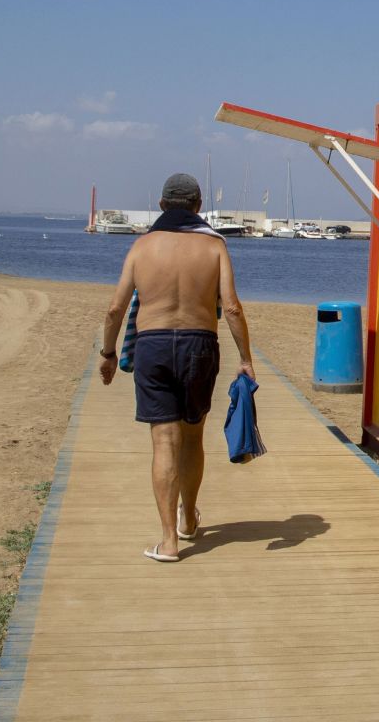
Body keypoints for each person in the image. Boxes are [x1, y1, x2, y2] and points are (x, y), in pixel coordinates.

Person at [99, 173, 252, 563]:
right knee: (193, 436)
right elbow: (231, 306)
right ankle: (188, 518)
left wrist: (108, 353)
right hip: (199, 344)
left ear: (163, 206)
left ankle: (169, 542)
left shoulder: (142, 246)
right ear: (199, 205)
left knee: (164, 441)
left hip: (152, 345)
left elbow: (116, 308)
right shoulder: (215, 246)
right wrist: (246, 359)